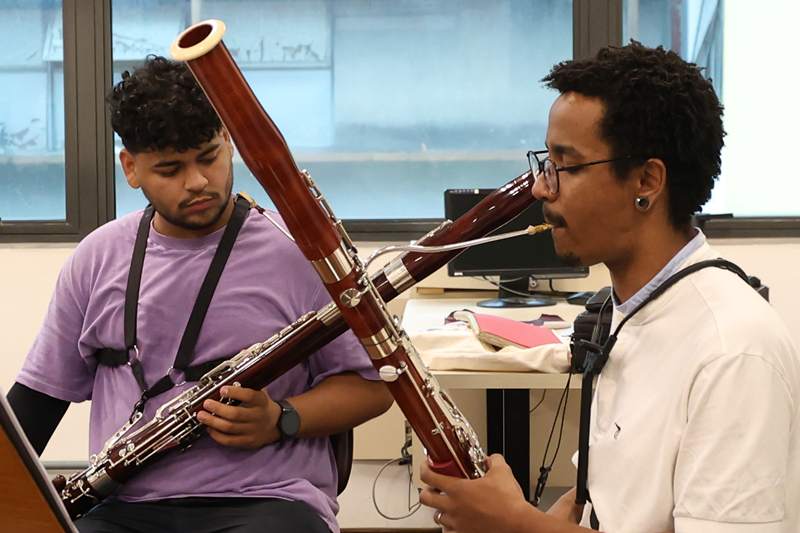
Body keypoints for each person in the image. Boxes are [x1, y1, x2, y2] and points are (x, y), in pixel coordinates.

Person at [419, 42, 800, 533]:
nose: (541, 189)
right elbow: (601, 502)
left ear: (646, 181)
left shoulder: (734, 348)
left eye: (567, 166)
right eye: (546, 163)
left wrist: (514, 522)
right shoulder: (625, 311)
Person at [6, 55, 394, 533]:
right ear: (130, 168)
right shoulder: (97, 258)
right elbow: (35, 405)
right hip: (123, 507)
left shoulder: (301, 250)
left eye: (208, 157)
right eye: (170, 169)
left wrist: (280, 418)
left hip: (268, 501)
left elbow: (374, 387)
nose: (197, 182)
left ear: (228, 140)